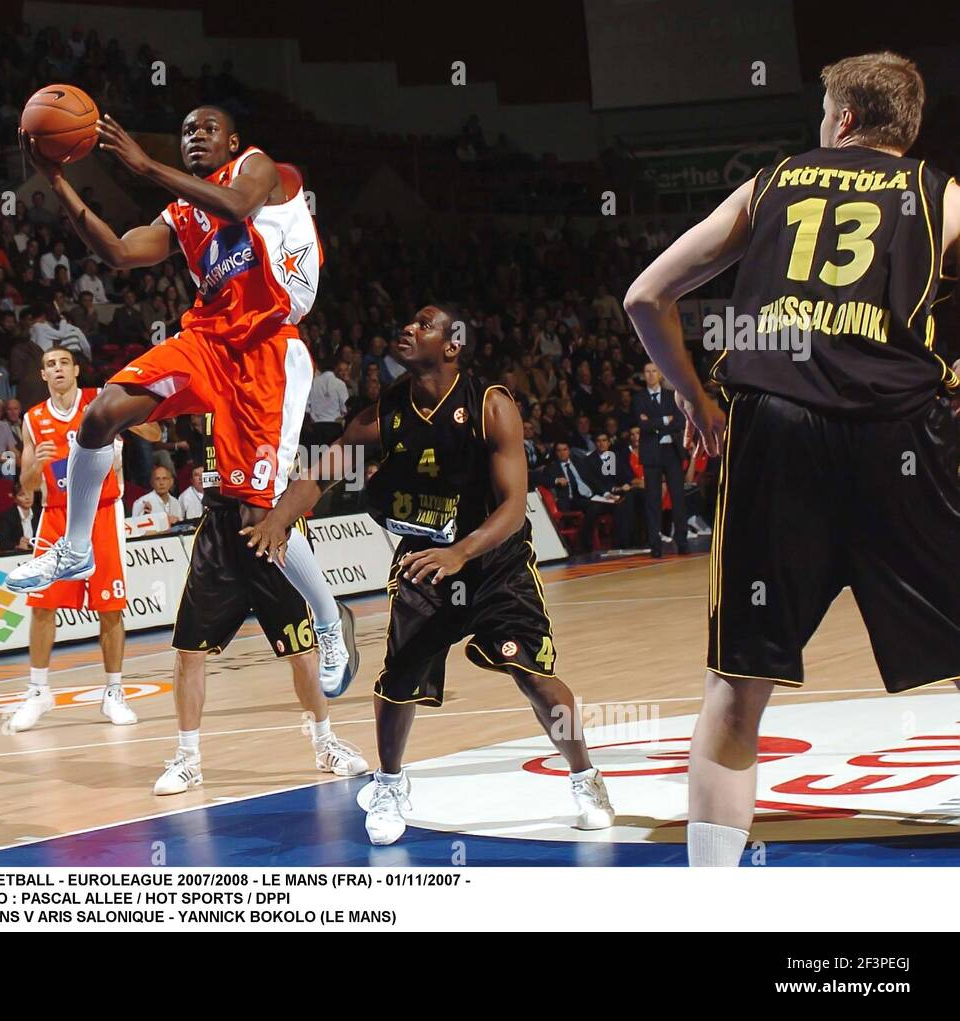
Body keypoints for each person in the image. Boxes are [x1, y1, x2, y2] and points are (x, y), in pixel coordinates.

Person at [623, 52, 960, 867]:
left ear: (842, 120)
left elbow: (645, 297)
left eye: (821, 112)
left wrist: (698, 401)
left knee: (736, 687)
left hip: (775, 431)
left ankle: (713, 908)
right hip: (899, 435)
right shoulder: (940, 193)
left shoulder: (771, 184)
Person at [5, 105, 356, 696]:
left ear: (233, 139)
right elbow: (118, 251)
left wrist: (144, 165)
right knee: (100, 416)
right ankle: (72, 551)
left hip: (268, 348)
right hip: (206, 339)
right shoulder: (181, 211)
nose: (195, 137)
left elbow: (238, 205)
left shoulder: (261, 169)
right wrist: (57, 180)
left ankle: (329, 620)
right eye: (186, 130)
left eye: (206, 129)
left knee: (257, 520)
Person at [246, 305, 615, 845]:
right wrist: (279, 518)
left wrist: (463, 552)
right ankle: (391, 783)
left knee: (531, 673)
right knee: (398, 680)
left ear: (451, 346)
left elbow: (515, 506)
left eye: (424, 324)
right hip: (426, 558)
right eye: (408, 322)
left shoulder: (492, 406)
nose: (408, 328)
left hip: (494, 561)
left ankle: (586, 778)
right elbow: (325, 469)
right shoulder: (385, 411)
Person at [154, 409, 367, 795]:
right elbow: (152, 424)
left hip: (272, 520)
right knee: (189, 651)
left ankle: (325, 744)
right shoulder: (200, 387)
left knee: (302, 652)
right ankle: (188, 759)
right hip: (219, 532)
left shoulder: (268, 385)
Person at [4, 348, 139, 733]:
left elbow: (151, 430)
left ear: (76, 370)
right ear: (43, 375)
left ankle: (113, 692)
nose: (57, 369)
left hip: (102, 511)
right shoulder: (33, 419)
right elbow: (25, 486)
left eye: (64, 363)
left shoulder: (101, 400)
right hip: (57, 515)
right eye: (50, 365)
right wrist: (37, 464)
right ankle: (38, 692)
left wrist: (129, 416)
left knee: (110, 606)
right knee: (42, 605)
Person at [632, 363, 688, 556]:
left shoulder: (670, 395)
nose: (650, 374)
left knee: (678, 498)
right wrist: (666, 420)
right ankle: (655, 545)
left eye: (654, 371)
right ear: (643, 375)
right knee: (652, 501)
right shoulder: (639, 398)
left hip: (671, 451)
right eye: (647, 371)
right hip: (651, 454)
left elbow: (680, 421)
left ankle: (682, 540)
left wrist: (654, 423)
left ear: (660, 374)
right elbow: (642, 425)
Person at [130, 464, 183, 530]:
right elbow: (134, 529)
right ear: (152, 483)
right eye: (157, 479)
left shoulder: (176, 503)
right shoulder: (142, 502)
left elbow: (182, 527)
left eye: (165, 478)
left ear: (171, 482)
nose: (161, 483)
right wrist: (165, 522)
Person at [0, 482, 39, 551]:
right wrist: (17, 546)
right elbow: (3, 543)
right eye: (22, 495)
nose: (27, 497)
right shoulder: (7, 517)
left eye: (30, 493)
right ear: (15, 499)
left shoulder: (39, 514)